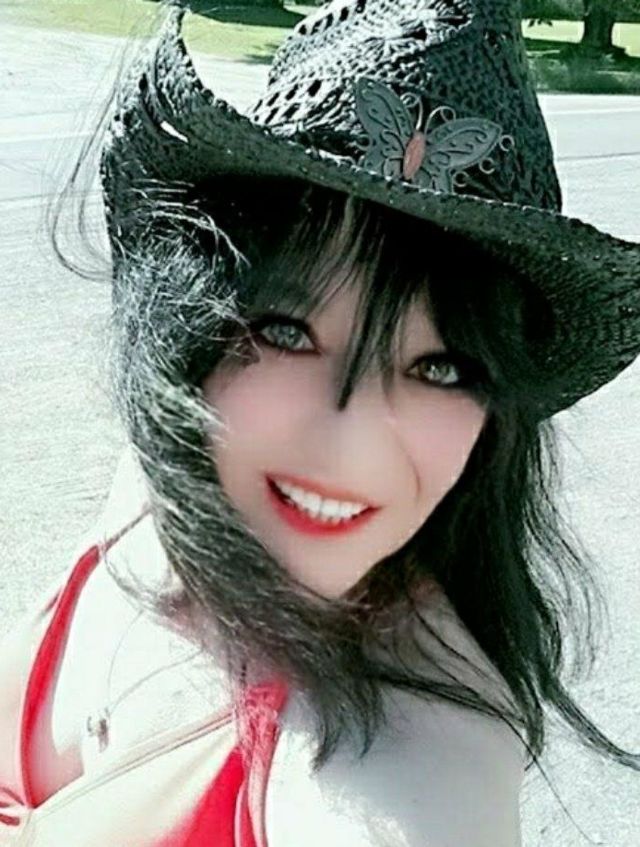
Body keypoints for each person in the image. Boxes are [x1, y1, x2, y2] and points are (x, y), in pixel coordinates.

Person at [2, 0, 639, 844]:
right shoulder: (152, 485)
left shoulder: (411, 771)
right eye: (287, 332)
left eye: (441, 368)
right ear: (200, 321)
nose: (350, 445)